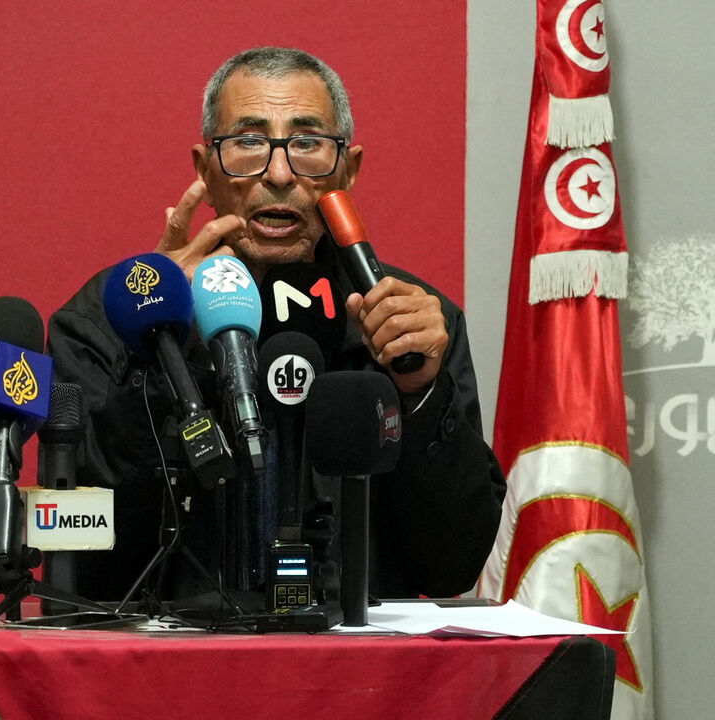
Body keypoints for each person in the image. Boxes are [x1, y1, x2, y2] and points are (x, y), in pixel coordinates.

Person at [47, 47, 504, 605]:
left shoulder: (410, 323)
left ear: (348, 171)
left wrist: (420, 393)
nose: (280, 173)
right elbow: (87, 561)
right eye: (249, 142)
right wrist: (166, 344)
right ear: (204, 169)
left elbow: (451, 567)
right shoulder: (103, 322)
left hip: (362, 672)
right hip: (168, 664)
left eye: (309, 143)